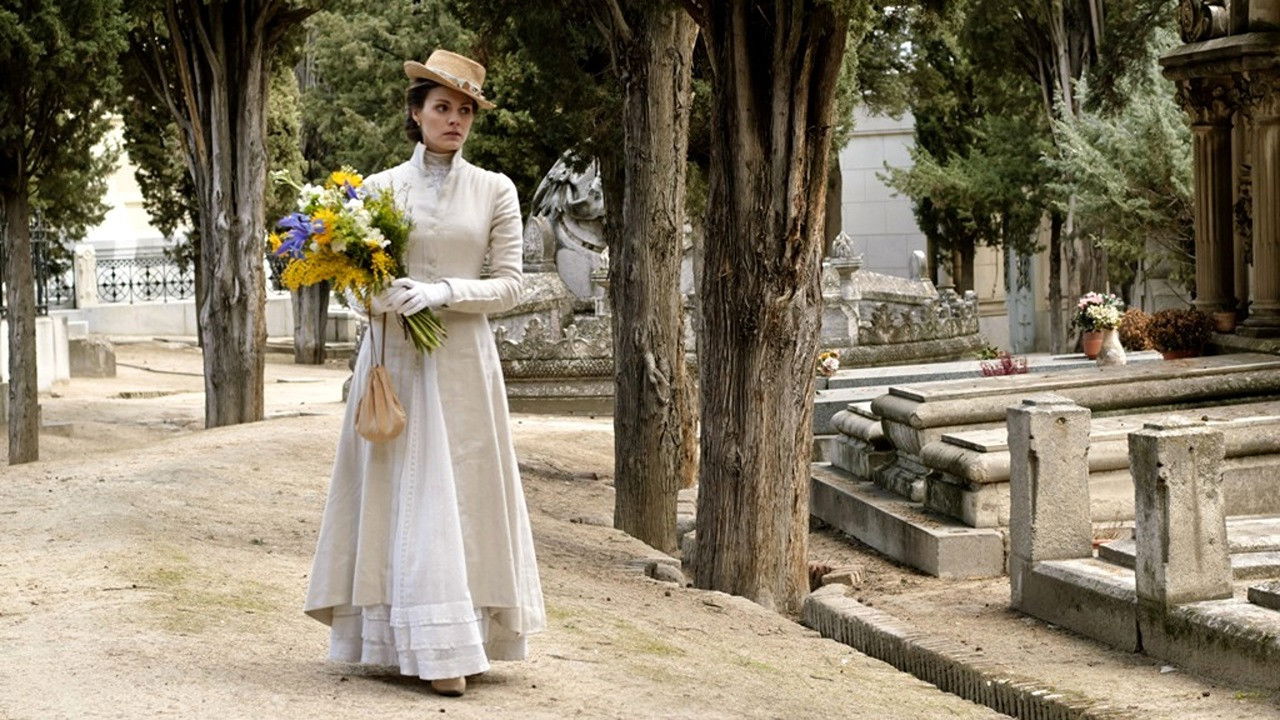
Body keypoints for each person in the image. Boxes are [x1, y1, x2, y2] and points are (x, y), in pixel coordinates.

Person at [304, 49, 545, 698]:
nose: (455, 120)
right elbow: (354, 281)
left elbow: (512, 284)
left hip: (464, 364)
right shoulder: (378, 190)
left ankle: (455, 644)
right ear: (416, 113)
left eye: (465, 110)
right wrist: (377, 298)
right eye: (442, 107)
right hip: (395, 360)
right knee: (398, 489)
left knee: (455, 492)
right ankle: (397, 640)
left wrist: (443, 293)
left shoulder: (496, 189)